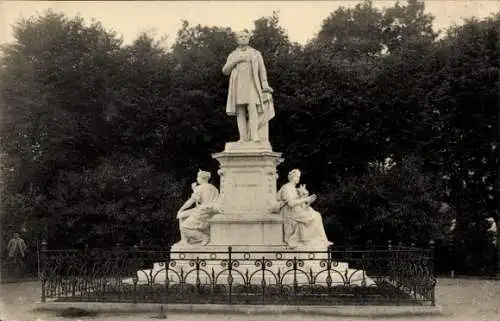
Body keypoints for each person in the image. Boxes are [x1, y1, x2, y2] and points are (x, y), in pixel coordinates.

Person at [222, 29, 275, 143]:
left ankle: (254, 135)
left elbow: (262, 69)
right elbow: (225, 70)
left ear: (249, 38)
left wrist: (264, 83)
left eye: (246, 36)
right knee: (240, 110)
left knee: (252, 108)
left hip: (252, 83)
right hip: (238, 85)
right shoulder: (233, 54)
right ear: (237, 39)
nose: (243, 38)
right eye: (241, 36)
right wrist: (235, 61)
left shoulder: (255, 53)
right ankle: (243, 137)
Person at [277, 169, 332, 249]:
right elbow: (291, 203)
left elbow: (302, 205)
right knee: (316, 217)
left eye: (298, 177)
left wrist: (309, 201)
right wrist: (305, 199)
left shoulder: (295, 189)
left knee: (316, 215)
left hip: (297, 211)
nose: (298, 179)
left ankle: (320, 240)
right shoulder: (287, 188)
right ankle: (316, 241)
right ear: (292, 177)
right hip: (290, 212)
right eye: (297, 177)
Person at [176, 170, 220, 245]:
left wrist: (181, 209)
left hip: (202, 212)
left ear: (202, 178)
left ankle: (203, 237)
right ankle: (185, 240)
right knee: (181, 215)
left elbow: (192, 201)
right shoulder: (214, 188)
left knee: (184, 228)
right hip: (208, 211)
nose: (197, 179)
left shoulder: (200, 188)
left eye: (198, 177)